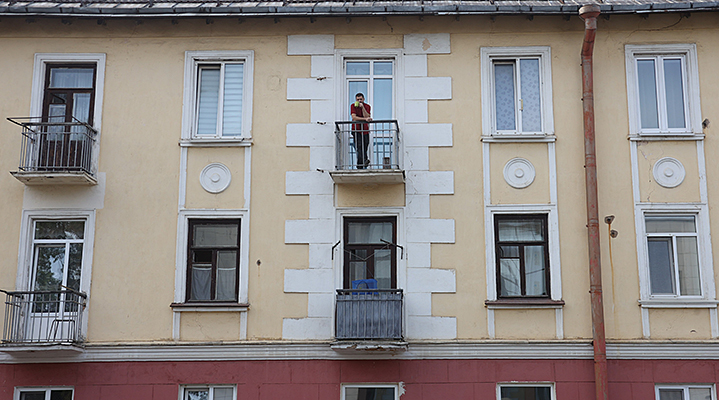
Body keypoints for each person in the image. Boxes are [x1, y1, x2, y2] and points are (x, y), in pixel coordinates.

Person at [350, 93, 372, 169]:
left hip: (365, 130)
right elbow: (354, 117)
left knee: (365, 146)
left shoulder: (367, 106)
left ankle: (362, 163)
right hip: (356, 129)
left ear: (363, 99)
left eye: (361, 99)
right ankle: (362, 163)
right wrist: (365, 119)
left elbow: (367, 116)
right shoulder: (353, 106)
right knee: (359, 146)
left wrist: (362, 108)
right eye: (358, 99)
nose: (359, 101)